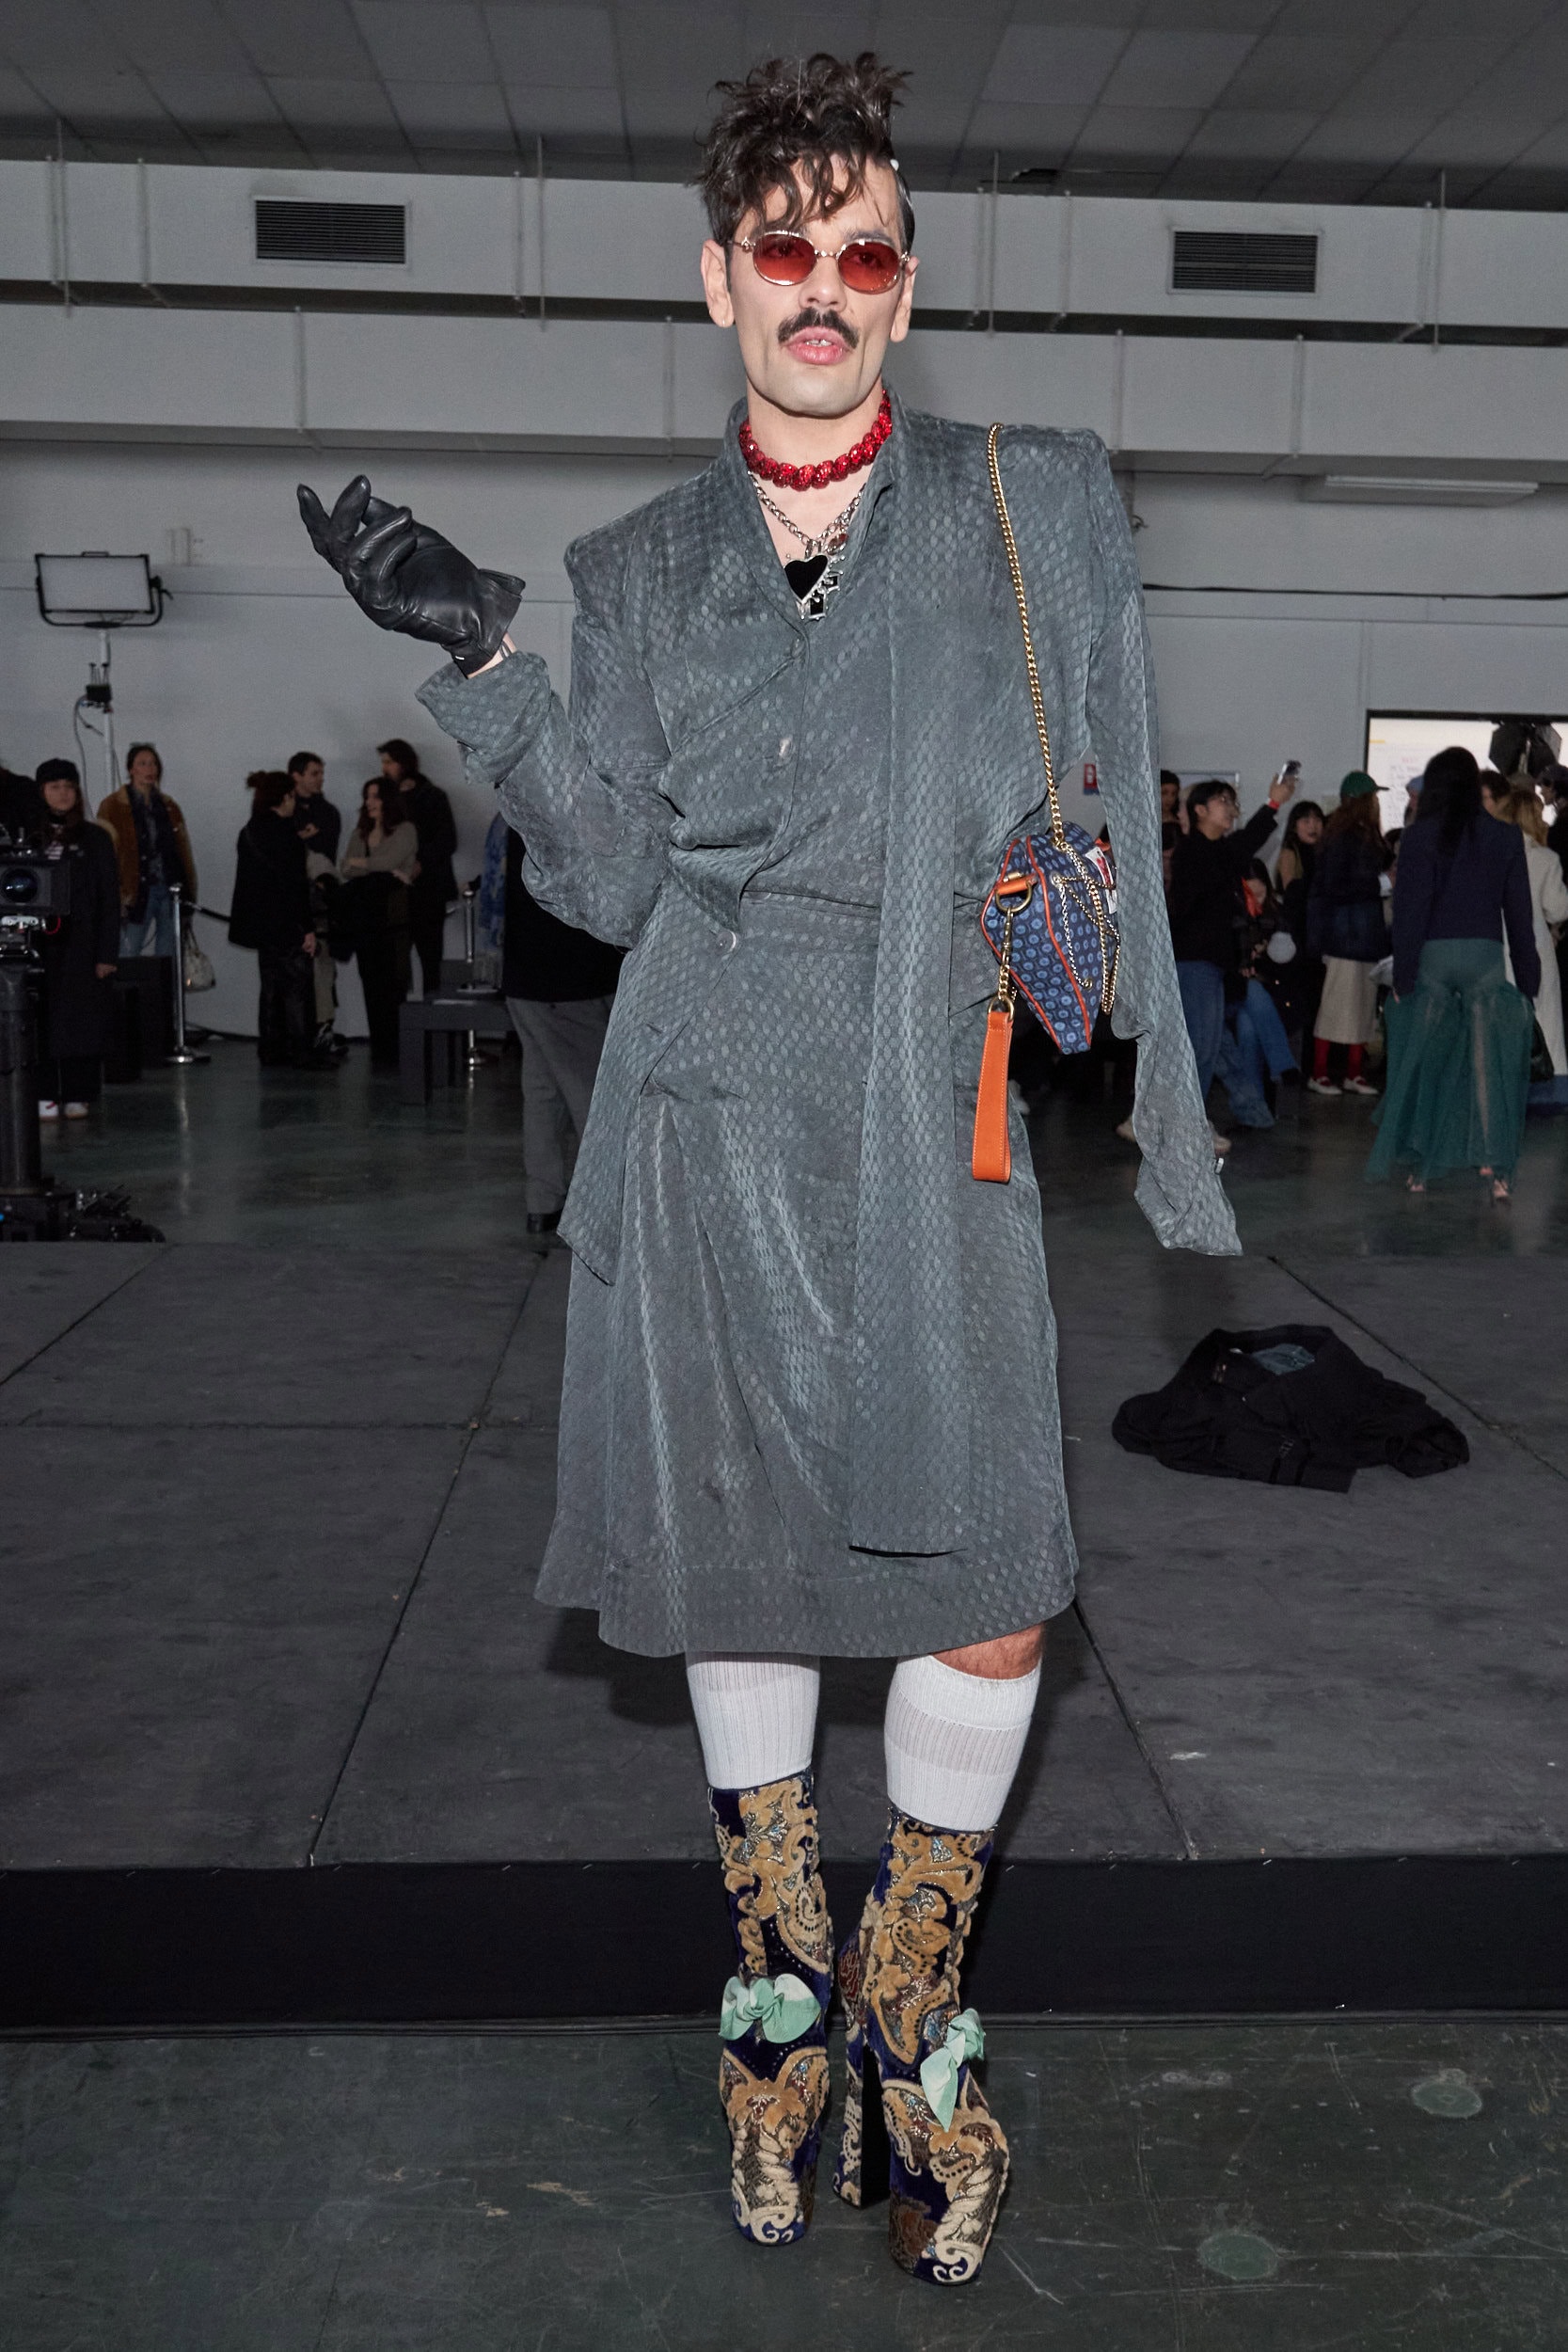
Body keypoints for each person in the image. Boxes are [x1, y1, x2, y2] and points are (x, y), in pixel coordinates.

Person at [297, 49, 1236, 2285]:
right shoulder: (634, 570)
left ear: (905, 284)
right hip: (701, 1124)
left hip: (932, 1115)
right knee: (734, 1569)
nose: (824, 282)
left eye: (864, 247)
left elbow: (1106, 809)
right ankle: (779, 1997)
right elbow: (613, 883)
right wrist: (491, 658)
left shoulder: (1035, 504)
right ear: (716, 278)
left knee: (989, 1571)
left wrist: (1150, 1070)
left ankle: (913, 2002)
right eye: (782, 245)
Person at [1368, 745, 1539, 1199]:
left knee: (1429, 1062)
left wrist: (1403, 978)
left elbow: (1410, 913)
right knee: (1487, 1065)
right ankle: (1496, 1171)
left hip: (1434, 958)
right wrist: (1528, 981)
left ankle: (1422, 1170)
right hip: (1485, 957)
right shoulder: (1505, 836)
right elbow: (1519, 915)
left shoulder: (1420, 837)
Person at [493, 814, 624, 1234]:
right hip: (570, 982)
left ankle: (543, 1203)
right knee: (590, 1099)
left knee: (543, 1095)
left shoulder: (521, 811)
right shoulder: (578, 814)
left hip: (526, 979)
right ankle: (602, 1213)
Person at [1166, 772, 1295, 1149]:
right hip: (1195, 963)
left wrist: (1273, 803)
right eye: (1222, 801)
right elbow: (1239, 848)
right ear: (1200, 810)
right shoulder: (1194, 852)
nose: (1230, 808)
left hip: (1212, 965)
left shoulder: (1217, 851)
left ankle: (1250, 1111)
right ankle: (1187, 1127)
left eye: (1230, 801)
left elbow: (1243, 844)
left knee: (1218, 1046)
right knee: (1204, 1048)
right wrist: (1272, 804)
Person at [28, 758, 119, 1119]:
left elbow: (109, 898)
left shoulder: (95, 838)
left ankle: (79, 1092)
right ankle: (44, 1092)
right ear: (42, 792)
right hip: (38, 946)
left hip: (83, 945)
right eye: (55, 787)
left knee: (82, 1021)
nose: (63, 794)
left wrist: (107, 953)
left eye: (69, 786)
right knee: (40, 1021)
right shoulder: (29, 837)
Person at [229, 771, 324, 1068]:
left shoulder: (248, 832)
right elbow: (296, 887)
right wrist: (307, 929)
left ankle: (271, 1048)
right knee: (297, 989)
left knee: (270, 988)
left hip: (261, 925)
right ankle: (303, 1050)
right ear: (285, 798)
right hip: (288, 923)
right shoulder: (287, 835)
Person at [1306, 772, 1387, 1097]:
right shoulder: (1344, 837)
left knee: (1362, 1008)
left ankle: (1354, 1072)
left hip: (1361, 935)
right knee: (1336, 1007)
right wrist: (1380, 884)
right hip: (1346, 935)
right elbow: (1335, 886)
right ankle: (1320, 1072)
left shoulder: (1359, 834)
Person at [1491, 780, 1568, 1105]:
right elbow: (1558, 908)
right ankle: (1546, 1087)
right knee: (1544, 1016)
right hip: (1535, 945)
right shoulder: (1545, 859)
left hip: (1495, 944)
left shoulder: (1491, 855)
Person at [338, 777, 418, 1067]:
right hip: (365, 917)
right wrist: (373, 866)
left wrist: (362, 864)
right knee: (369, 979)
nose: (369, 802)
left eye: (375, 796)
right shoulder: (361, 832)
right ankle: (380, 1046)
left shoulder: (405, 830)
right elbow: (345, 867)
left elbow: (388, 861)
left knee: (393, 980)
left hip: (392, 916)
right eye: (367, 797)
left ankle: (396, 1046)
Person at [97, 742, 197, 960]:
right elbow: (105, 856)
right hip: (134, 892)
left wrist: (189, 893)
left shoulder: (169, 806)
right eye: (143, 764)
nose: (149, 769)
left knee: (168, 957)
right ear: (131, 769)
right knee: (128, 953)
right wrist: (114, 896)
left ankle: (165, 984)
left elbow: (183, 853)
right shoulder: (112, 806)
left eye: (153, 764)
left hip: (170, 889)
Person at [377, 737, 455, 997]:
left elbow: (447, 840)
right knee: (395, 964)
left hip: (428, 891)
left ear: (404, 763)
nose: (384, 768)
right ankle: (401, 1018)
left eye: (389, 762)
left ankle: (433, 1015)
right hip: (396, 892)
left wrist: (420, 862)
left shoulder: (433, 797)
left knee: (430, 960)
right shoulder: (386, 800)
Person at [287, 750, 345, 1051]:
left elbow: (324, 853)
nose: (320, 779)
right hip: (291, 901)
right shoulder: (285, 811)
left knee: (323, 964)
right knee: (292, 968)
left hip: (320, 901)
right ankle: (295, 1032)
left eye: (321, 773)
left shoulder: (329, 813)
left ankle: (323, 1028)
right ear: (296, 776)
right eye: (314, 773)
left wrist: (303, 839)